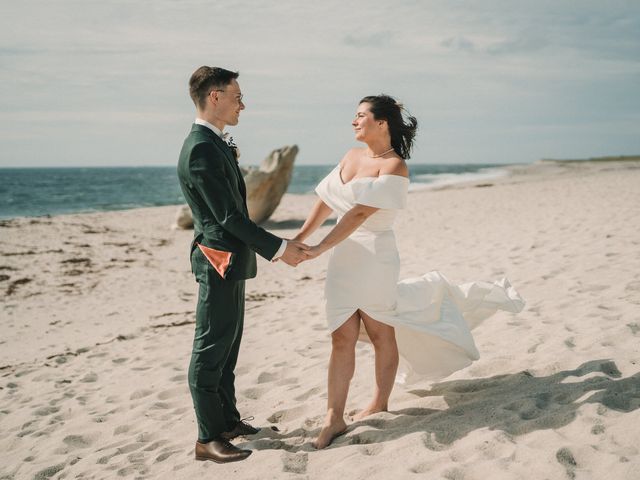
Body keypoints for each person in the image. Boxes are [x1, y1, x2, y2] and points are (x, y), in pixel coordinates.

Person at [293, 94, 525, 449]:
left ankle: (379, 401)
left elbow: (358, 213)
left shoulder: (395, 167)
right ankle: (333, 416)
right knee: (341, 337)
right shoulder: (350, 156)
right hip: (344, 257)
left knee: (381, 331)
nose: (353, 122)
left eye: (360, 116)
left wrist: (321, 247)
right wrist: (299, 239)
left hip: (375, 258)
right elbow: (325, 200)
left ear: (381, 123)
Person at [177, 66, 309, 463]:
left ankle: (228, 421)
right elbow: (228, 219)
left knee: (229, 346)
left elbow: (234, 212)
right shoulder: (201, 147)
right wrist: (280, 248)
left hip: (230, 259)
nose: (243, 104)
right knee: (210, 348)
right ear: (214, 97)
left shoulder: (214, 143)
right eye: (237, 97)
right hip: (217, 258)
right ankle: (207, 438)